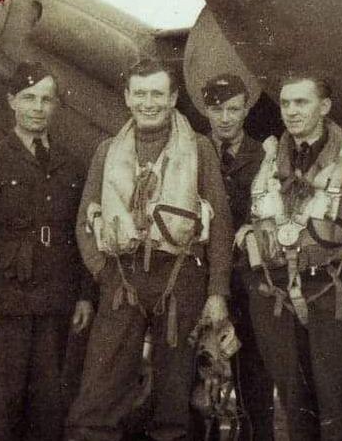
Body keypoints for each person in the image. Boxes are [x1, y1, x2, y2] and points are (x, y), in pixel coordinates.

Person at [66, 59, 232, 441]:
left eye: (157, 93)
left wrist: (217, 292)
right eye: (140, 93)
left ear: (173, 97)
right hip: (122, 279)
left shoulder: (200, 149)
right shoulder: (107, 151)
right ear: (127, 97)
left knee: (174, 398)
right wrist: (102, 273)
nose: (148, 102)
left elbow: (220, 222)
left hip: (180, 278)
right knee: (99, 392)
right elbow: (84, 221)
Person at [0, 61, 95, 441]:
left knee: (49, 410)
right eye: (29, 98)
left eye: (46, 100)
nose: (38, 107)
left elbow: (83, 234)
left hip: (56, 303)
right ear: (11, 102)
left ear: (55, 107)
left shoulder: (72, 166)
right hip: (5, 304)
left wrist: (85, 295)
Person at [236, 75, 342, 441]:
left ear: (324, 107)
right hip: (277, 295)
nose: (292, 111)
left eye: (302, 102)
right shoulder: (266, 161)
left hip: (333, 289)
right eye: (286, 104)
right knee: (294, 399)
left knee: (340, 398)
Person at [197, 74, 274, 440]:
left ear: (246, 109)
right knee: (196, 379)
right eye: (216, 109)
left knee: (254, 380)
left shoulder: (264, 158)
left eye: (233, 109)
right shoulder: (192, 156)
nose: (225, 118)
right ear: (205, 110)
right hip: (202, 283)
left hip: (248, 285)